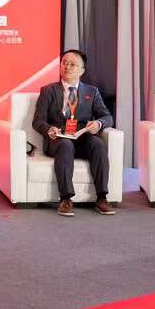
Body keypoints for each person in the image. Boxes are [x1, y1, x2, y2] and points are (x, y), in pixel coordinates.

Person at [31, 50, 117, 216]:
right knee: (65, 145)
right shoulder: (48, 91)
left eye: (72, 64)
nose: (67, 67)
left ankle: (102, 197)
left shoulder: (92, 92)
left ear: (82, 70)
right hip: (58, 140)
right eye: (64, 63)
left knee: (98, 143)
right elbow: (38, 121)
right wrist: (49, 129)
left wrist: (98, 124)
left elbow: (107, 117)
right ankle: (65, 198)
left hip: (82, 138)